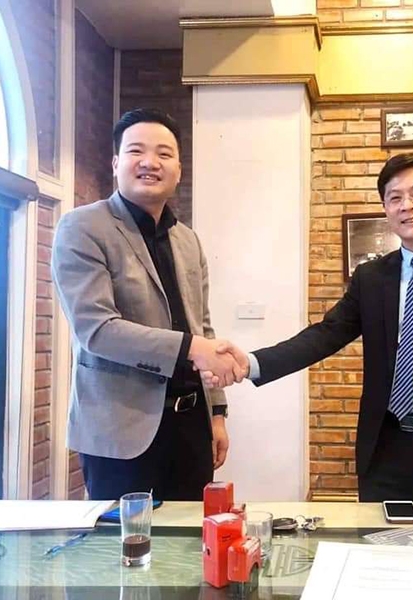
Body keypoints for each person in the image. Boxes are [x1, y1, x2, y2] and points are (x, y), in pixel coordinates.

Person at [207, 152, 413, 502]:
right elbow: (325, 334)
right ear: (386, 208)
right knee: (380, 537)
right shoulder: (372, 276)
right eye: (395, 198)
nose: (407, 206)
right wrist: (250, 363)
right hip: (385, 451)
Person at [52, 108, 246, 501]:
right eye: (136, 151)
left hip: (192, 426)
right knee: (123, 538)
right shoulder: (83, 227)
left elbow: (202, 326)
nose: (150, 162)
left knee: (190, 534)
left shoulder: (188, 240)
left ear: (178, 169)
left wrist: (217, 413)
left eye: (164, 153)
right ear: (116, 163)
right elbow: (97, 330)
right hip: (120, 430)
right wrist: (192, 347)